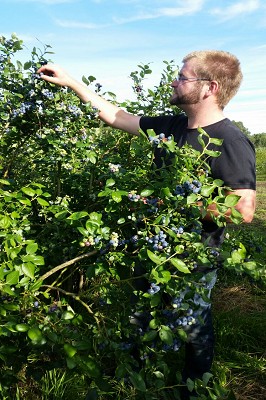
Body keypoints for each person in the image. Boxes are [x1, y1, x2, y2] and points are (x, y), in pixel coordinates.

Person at [38, 50, 256, 398]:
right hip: (152, 248)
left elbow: (243, 209)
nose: (174, 80)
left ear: (209, 87)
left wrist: (177, 199)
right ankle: (133, 380)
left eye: (183, 77)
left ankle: (195, 386)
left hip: (194, 257)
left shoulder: (229, 141)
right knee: (142, 313)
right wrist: (70, 81)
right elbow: (115, 116)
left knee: (193, 323)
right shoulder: (171, 127)